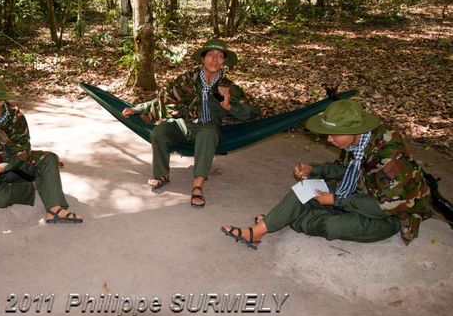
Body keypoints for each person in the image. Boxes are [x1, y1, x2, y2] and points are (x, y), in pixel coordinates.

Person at [221, 99, 432, 249]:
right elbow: (345, 168)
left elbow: (383, 207)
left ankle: (287, 218)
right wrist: (315, 169)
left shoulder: (391, 155)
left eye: (333, 135)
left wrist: (336, 200)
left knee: (332, 225)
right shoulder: (359, 140)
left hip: (390, 216)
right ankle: (258, 233)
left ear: (353, 131)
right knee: (306, 187)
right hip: (359, 192)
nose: (329, 140)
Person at [122, 38, 259, 208]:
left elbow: (252, 112)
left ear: (224, 61)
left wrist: (228, 105)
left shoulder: (228, 88)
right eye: (210, 55)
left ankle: (197, 185)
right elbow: (164, 99)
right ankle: (161, 175)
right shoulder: (187, 79)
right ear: (202, 58)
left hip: (208, 128)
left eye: (220, 56)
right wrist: (137, 109)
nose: (214, 60)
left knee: (207, 132)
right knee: (159, 132)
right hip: (184, 125)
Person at [0, 75, 83, 223]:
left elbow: (24, 149)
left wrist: (4, 166)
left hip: (14, 162)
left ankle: (55, 210)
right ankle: (35, 185)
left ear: (1, 101)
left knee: (48, 158)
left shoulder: (15, 116)